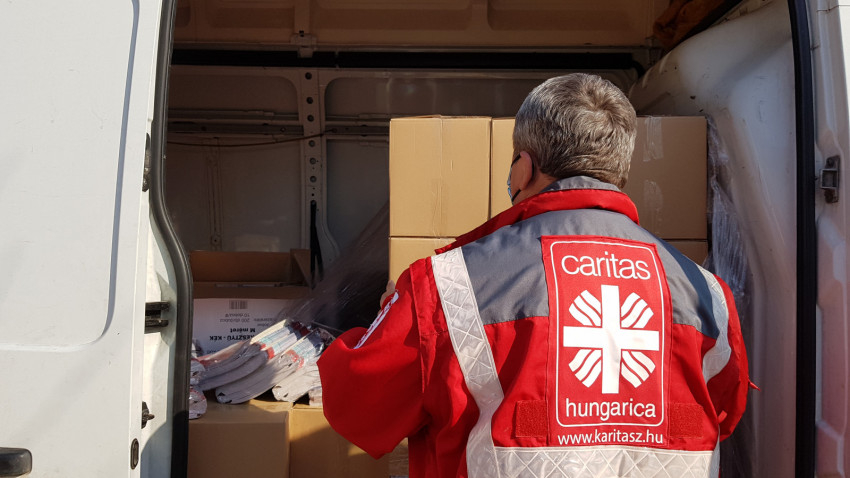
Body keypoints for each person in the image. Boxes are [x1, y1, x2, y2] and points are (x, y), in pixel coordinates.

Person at [317, 73, 750, 477]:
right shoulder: (707, 293)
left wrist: (389, 318)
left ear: (523, 167)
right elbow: (724, 414)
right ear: (619, 171)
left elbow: (358, 409)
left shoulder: (445, 284)